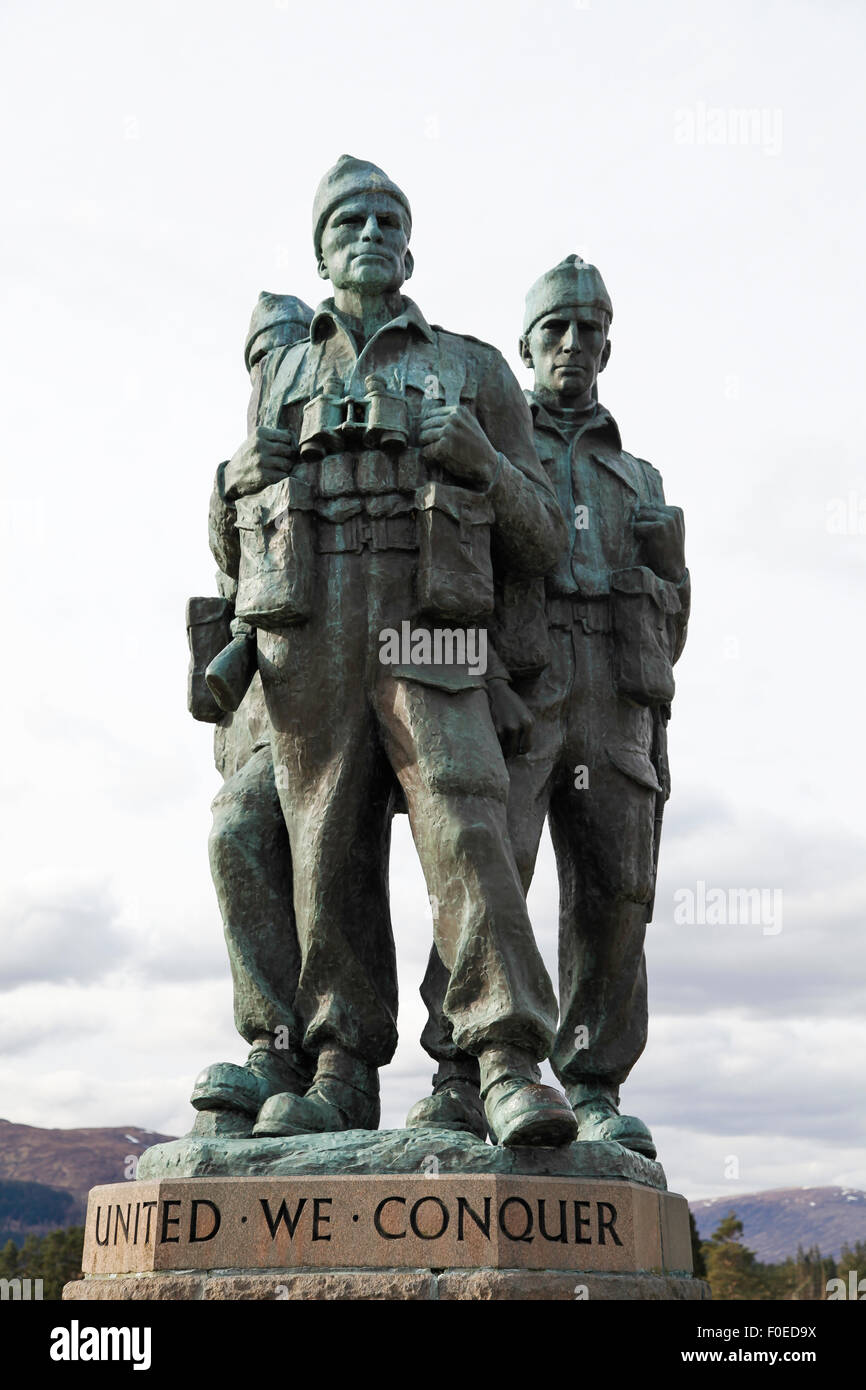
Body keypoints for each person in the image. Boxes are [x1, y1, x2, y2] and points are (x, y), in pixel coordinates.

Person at [208, 156, 578, 1147]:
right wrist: (228, 483)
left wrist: (485, 464)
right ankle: (338, 1065)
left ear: (408, 246)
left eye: (386, 218)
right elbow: (233, 547)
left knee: (462, 814)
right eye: (348, 220)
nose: (369, 231)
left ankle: (500, 1054)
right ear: (320, 248)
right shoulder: (282, 374)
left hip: (428, 618)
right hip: (311, 627)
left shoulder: (473, 366)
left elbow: (545, 535)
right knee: (323, 847)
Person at [410, 256, 689, 1157]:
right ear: (527, 343)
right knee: (485, 869)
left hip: (619, 694)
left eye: (590, 329)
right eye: (555, 329)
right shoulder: (496, 434)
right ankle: (464, 1070)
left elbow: (676, 620)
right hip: (519, 684)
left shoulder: (639, 476)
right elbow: (442, 575)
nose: (573, 344)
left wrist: (669, 570)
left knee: (617, 894)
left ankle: (594, 1079)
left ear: (609, 343)